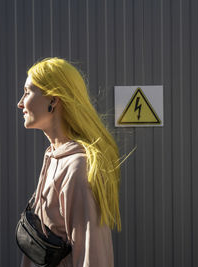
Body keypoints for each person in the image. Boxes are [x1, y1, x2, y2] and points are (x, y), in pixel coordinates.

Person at [17, 57, 122, 267]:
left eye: (27, 92)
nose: (20, 103)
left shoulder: (78, 167)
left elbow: (94, 257)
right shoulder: (52, 156)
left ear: (53, 101)